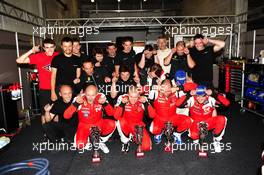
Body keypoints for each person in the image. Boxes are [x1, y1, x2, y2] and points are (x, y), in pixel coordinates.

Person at [64, 85, 116, 153]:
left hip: (98, 124)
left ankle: (100, 141)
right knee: (80, 145)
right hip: (84, 126)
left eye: (93, 95)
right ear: (84, 93)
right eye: (88, 95)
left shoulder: (101, 97)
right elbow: (66, 116)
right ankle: (87, 139)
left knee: (112, 124)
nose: (90, 98)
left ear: (97, 93)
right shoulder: (79, 98)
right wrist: (75, 104)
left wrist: (105, 104)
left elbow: (112, 113)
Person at [16, 38, 58, 110]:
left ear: (54, 47)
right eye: (47, 47)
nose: (50, 50)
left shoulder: (58, 56)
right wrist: (31, 51)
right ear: (44, 48)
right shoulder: (39, 56)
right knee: (45, 112)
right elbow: (19, 60)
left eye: (51, 47)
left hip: (57, 88)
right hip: (45, 89)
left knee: (57, 112)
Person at [148, 79, 192, 145]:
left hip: (173, 118)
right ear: (160, 87)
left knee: (188, 121)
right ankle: (159, 133)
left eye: (168, 87)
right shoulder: (155, 93)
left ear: (172, 87)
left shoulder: (177, 93)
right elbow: (138, 90)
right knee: (153, 129)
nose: (166, 90)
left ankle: (177, 134)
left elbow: (193, 86)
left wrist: (178, 88)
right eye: (164, 86)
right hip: (159, 119)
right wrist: (153, 87)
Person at [185, 85, 227, 153]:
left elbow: (226, 103)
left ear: (206, 95)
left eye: (203, 96)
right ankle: (198, 139)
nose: (200, 98)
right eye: (198, 96)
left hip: (208, 122)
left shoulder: (211, 99)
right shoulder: (191, 99)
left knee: (222, 119)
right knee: (194, 137)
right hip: (195, 123)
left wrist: (214, 93)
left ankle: (216, 140)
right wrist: (188, 94)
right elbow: (178, 104)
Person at [114, 86, 152, 153]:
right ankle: (125, 141)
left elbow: (152, 115)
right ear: (128, 95)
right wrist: (122, 104)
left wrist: (146, 103)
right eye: (131, 97)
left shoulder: (143, 99)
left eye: (135, 97)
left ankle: (134, 136)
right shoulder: (122, 98)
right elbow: (116, 116)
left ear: (139, 96)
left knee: (147, 147)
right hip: (126, 124)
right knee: (119, 121)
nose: (133, 99)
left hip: (138, 125)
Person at [51, 37, 81, 101]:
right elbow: (53, 76)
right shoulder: (56, 59)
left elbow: (78, 73)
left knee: (74, 109)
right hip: (60, 89)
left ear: (72, 46)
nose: (67, 48)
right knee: (60, 109)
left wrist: (78, 78)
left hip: (73, 89)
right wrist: (53, 92)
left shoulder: (78, 59)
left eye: (69, 46)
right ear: (62, 46)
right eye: (65, 46)